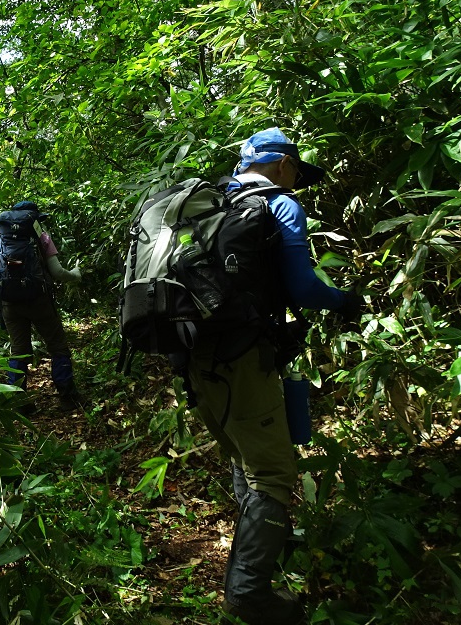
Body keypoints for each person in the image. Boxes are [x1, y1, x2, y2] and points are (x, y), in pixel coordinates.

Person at [174, 128, 362, 625]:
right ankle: (249, 592)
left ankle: (263, 554)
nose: (297, 180)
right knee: (274, 474)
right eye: (297, 170)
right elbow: (302, 287)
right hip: (243, 355)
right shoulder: (278, 206)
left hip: (193, 355)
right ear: (281, 165)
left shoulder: (208, 203)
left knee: (245, 456)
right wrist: (344, 300)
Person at [0, 201, 83, 410]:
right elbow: (58, 273)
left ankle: (19, 401)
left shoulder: (0, 238)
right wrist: (75, 275)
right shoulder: (42, 237)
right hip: (39, 302)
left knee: (18, 351)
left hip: (10, 303)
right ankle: (67, 397)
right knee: (58, 347)